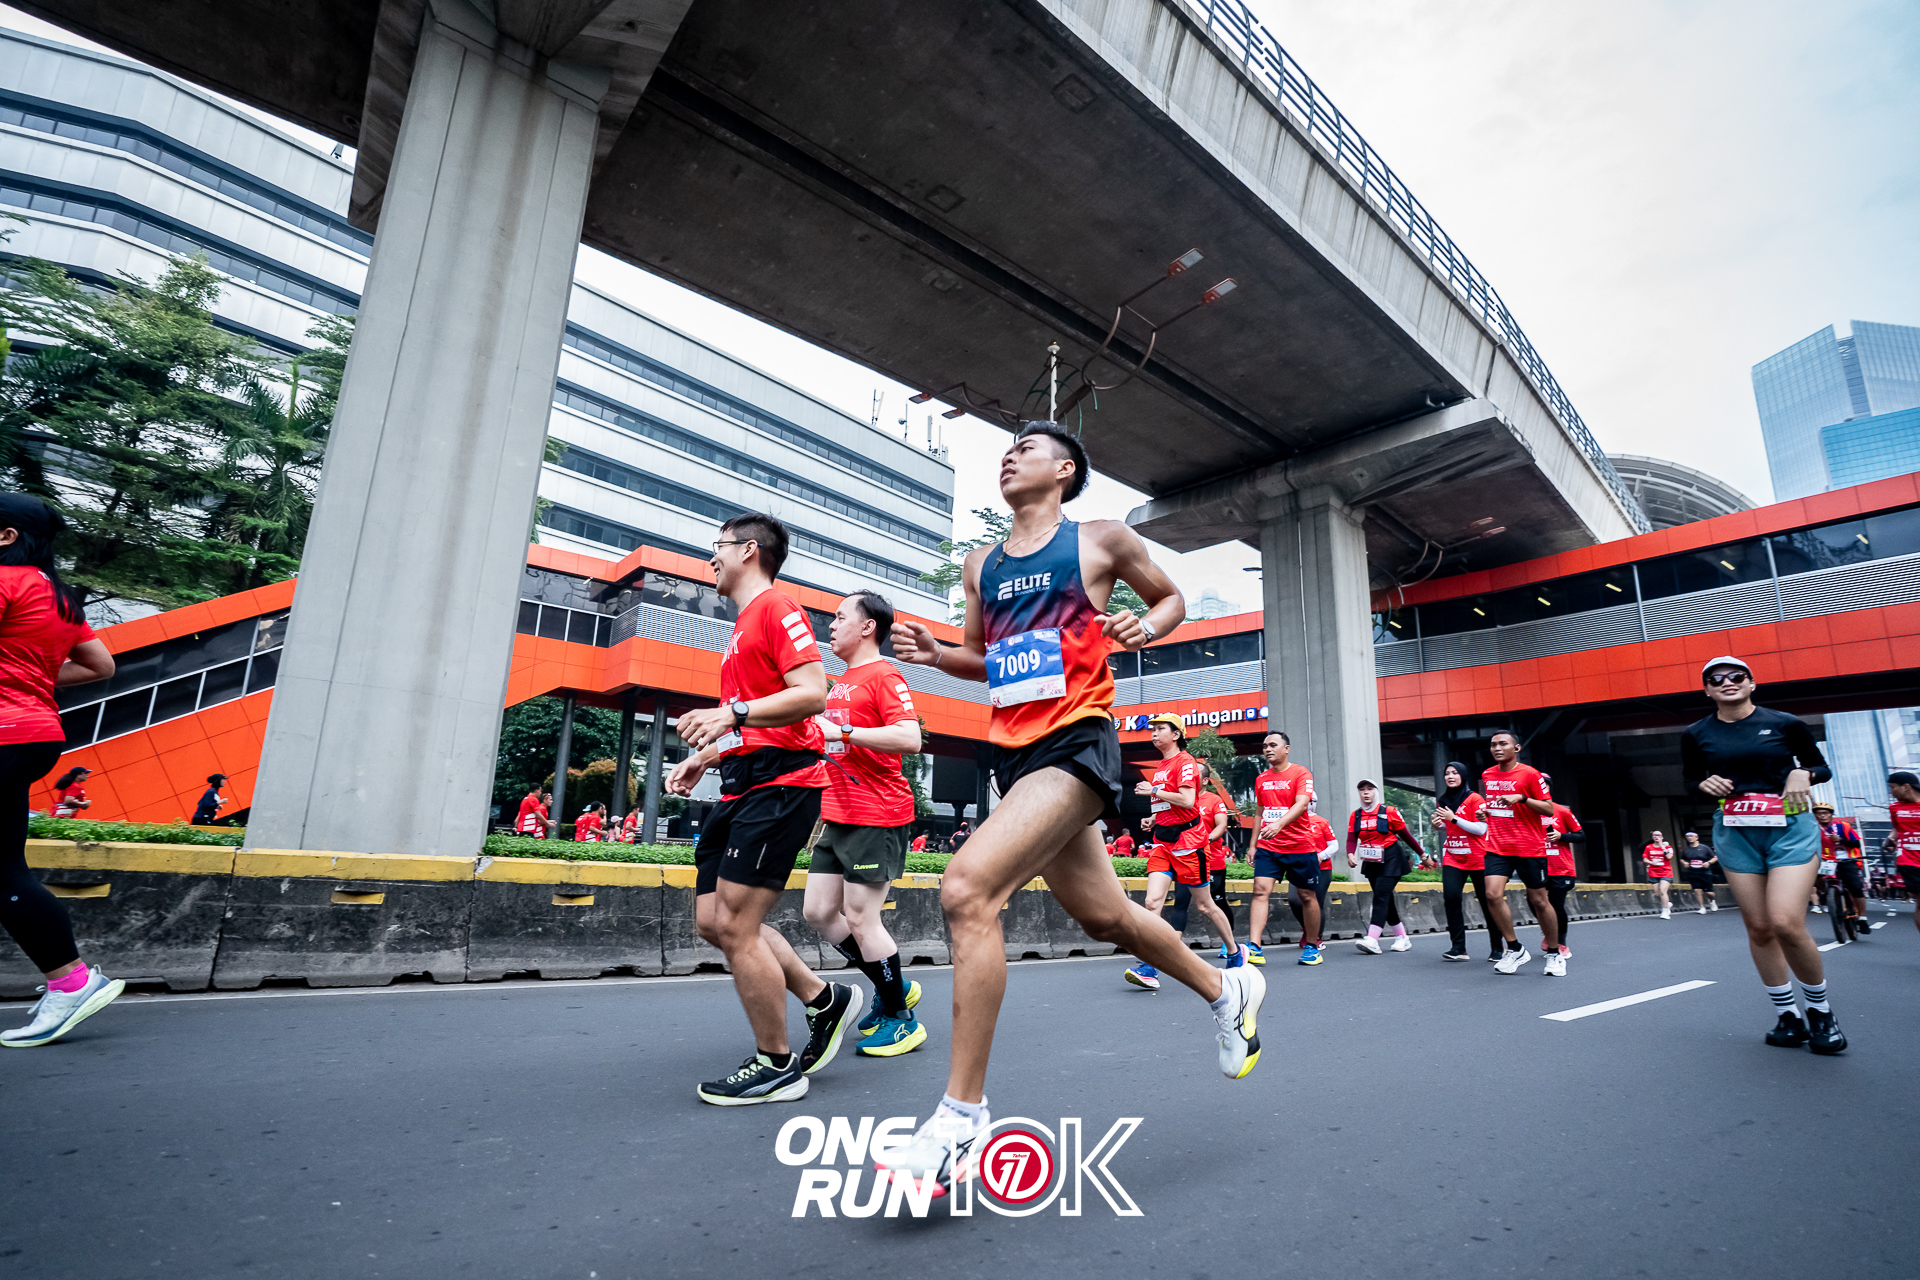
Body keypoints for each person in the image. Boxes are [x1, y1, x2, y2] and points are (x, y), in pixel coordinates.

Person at [880, 422, 1264, 1191]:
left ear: (1064, 470)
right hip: (1013, 753)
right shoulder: (981, 563)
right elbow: (984, 656)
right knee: (1106, 917)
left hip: (1078, 742)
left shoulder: (1099, 539)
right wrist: (936, 656)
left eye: (1027, 448)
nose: (1009, 456)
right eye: (1006, 450)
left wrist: (1144, 625)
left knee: (967, 890)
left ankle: (961, 1116)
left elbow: (1170, 598)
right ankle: (1228, 989)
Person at [665, 512, 858, 1105]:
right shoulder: (743, 625)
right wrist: (707, 757)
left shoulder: (777, 608)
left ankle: (777, 1065)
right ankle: (824, 999)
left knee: (736, 925)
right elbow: (756, 723)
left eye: (717, 546)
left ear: (749, 550)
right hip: (741, 784)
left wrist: (731, 713)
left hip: (782, 786)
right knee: (712, 922)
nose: (711, 558)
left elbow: (812, 693)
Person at [0, 494, 125, 1049]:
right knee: (5, 869)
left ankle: (71, 981)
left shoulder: (4, 582)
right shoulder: (59, 597)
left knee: (4, 875)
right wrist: (29, 676)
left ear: (6, 536)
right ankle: (70, 980)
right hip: (35, 734)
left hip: (4, 734)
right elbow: (101, 664)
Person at [1682, 655, 1843, 1053]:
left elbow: (1820, 767)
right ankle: (1787, 1016)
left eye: (1737, 676)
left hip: (1789, 828)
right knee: (1759, 928)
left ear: (1752, 683)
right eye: (1716, 679)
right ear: (1707, 691)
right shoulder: (1696, 733)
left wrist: (1803, 773)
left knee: (1785, 922)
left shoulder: (1785, 723)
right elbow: (1689, 780)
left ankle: (1821, 1012)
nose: (1727, 682)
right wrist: (1703, 784)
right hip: (1736, 831)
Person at [800, 590, 928, 1058]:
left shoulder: (884, 675)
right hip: (837, 813)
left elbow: (909, 736)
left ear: (868, 626)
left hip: (876, 813)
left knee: (860, 916)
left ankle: (900, 1018)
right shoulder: (840, 682)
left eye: (840, 617)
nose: (831, 625)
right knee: (818, 912)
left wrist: (845, 731)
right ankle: (894, 986)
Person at [1124, 713, 1237, 987]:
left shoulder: (1185, 761)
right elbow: (1167, 804)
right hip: (1163, 842)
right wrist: (1153, 818)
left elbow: (1187, 800)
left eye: (1160, 729)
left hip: (1189, 843)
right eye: (1153, 729)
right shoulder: (1162, 765)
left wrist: (1153, 790)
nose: (1154, 733)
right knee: (1152, 903)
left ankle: (1235, 952)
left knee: (1205, 905)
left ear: (1176, 735)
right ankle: (1149, 967)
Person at [1479, 731, 1562, 975]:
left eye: (1502, 744)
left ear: (1516, 748)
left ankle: (1554, 953)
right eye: (1493, 744)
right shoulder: (1487, 774)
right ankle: (1515, 948)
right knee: (1492, 895)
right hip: (1497, 846)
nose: (1497, 748)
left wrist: (1522, 798)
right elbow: (1497, 805)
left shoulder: (1530, 774)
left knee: (1539, 901)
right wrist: (1486, 812)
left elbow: (1548, 809)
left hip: (1528, 846)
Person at [1249, 730, 1318, 965]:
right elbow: (1259, 813)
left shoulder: (1301, 773)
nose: (1267, 749)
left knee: (1306, 896)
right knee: (1260, 890)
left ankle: (1312, 946)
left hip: (1300, 846)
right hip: (1269, 846)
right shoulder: (1261, 779)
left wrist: (1279, 824)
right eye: (1264, 746)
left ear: (1286, 749)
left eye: (1272, 745)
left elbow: (1302, 804)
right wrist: (1252, 846)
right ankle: (1255, 947)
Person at [1346, 779, 1422, 954]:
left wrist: (1423, 855)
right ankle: (1402, 937)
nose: (1366, 792)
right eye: (1362, 789)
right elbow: (1351, 838)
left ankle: (1372, 939)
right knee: (1385, 899)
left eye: (1370, 789)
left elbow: (1406, 835)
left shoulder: (1389, 812)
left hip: (1391, 858)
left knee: (1380, 896)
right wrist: (1350, 854)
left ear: (1376, 792)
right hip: (1371, 860)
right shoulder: (1356, 815)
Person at [1432, 762, 1499, 963]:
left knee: (1488, 902)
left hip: (1478, 857)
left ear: (1462, 775)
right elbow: (1450, 827)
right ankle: (1458, 948)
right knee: (1451, 898)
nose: (1450, 776)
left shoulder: (1475, 799)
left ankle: (1498, 948)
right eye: (1447, 773)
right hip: (1453, 856)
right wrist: (1439, 826)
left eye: (1455, 773)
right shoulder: (1443, 800)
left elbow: (1481, 829)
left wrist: (1453, 819)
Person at [1171, 777, 1236, 960]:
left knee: (1217, 903)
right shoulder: (1180, 798)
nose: (1191, 776)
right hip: (1185, 859)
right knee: (1180, 901)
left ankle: (1229, 943)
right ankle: (1174, 945)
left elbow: (1221, 825)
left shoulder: (1214, 800)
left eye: (1196, 774)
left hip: (1211, 860)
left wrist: (1205, 840)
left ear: (1205, 780)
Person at [1812, 803, 1869, 935]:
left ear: (1831, 815)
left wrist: (1841, 840)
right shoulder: (1814, 829)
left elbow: (1857, 843)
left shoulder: (1844, 826)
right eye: (1818, 814)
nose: (1822, 816)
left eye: (1825, 813)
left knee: (1856, 886)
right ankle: (1827, 896)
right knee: (1816, 877)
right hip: (1827, 861)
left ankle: (1862, 918)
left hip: (1847, 860)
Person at [1545, 794, 1583, 964]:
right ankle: (1549, 931)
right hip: (1537, 866)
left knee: (1556, 905)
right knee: (1534, 902)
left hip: (1560, 868)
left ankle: (1561, 943)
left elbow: (1581, 836)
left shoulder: (1561, 811)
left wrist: (1561, 836)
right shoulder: (1528, 810)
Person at [1884, 771, 1920, 935]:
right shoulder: (1895, 808)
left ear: (1906, 787)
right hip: (1909, 861)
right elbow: (1897, 829)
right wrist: (1890, 839)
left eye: (1893, 787)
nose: (1891, 792)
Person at [1680, 831, 1719, 913]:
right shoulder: (1686, 849)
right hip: (1693, 872)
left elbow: (1715, 857)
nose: (1689, 838)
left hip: (1705, 872)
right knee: (1697, 890)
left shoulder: (1705, 848)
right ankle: (1701, 907)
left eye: (1691, 836)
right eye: (1688, 837)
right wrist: (1684, 863)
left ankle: (1712, 901)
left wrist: (1708, 863)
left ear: (1696, 837)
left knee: (1709, 893)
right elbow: (1682, 858)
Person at [1641, 830, 1675, 919]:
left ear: (1662, 837)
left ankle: (1665, 911)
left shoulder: (1668, 847)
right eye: (1654, 835)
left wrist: (1663, 847)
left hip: (1666, 872)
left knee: (1663, 891)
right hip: (1653, 872)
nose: (1656, 837)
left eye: (1658, 835)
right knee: (1657, 894)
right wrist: (1651, 862)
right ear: (1652, 837)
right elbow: (1645, 859)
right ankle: (1667, 904)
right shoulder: (1649, 847)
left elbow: (1669, 856)